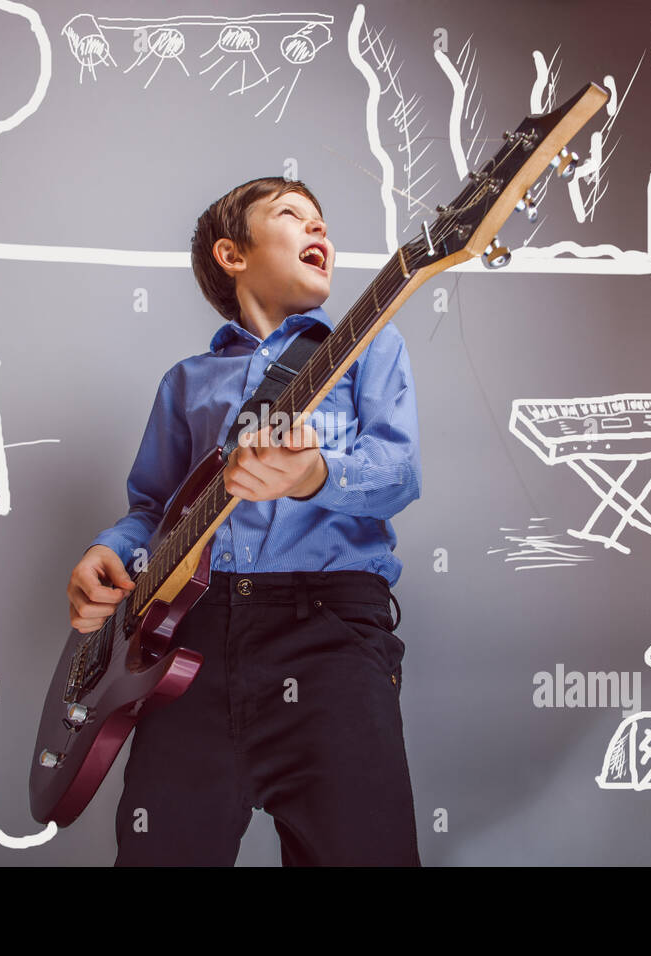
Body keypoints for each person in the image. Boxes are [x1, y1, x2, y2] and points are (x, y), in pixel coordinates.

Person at [67, 176, 422, 866]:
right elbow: (152, 509)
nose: (319, 230)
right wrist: (107, 553)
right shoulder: (186, 381)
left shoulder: (369, 345)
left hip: (329, 635)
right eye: (293, 216)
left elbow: (399, 473)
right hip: (187, 646)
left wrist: (316, 474)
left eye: (323, 221)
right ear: (233, 255)